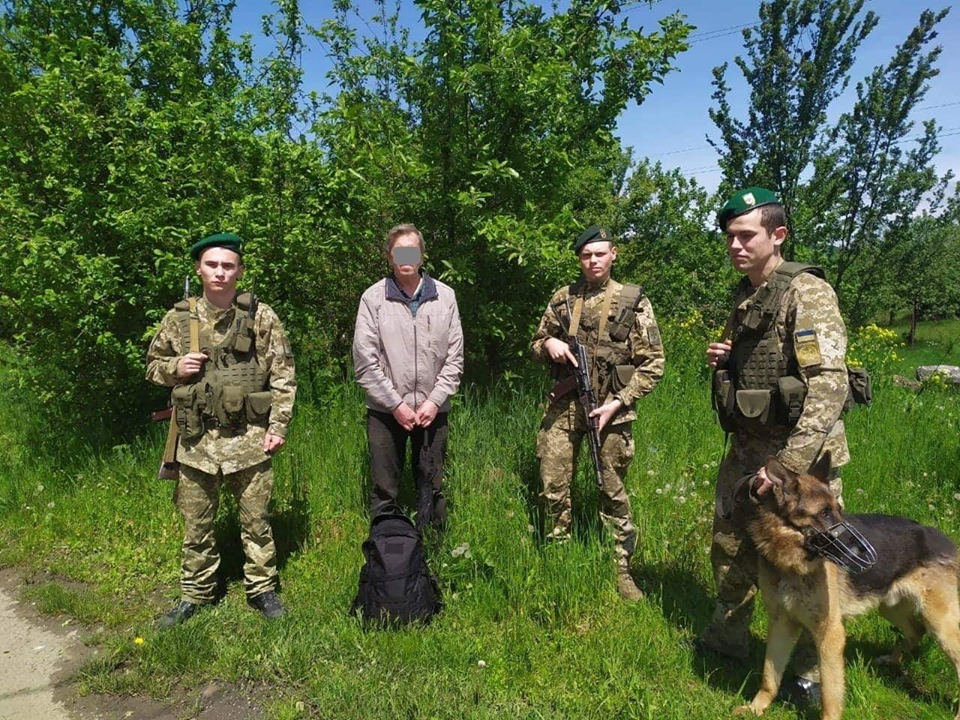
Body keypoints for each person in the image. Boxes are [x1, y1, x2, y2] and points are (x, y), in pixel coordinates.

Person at [697, 187, 850, 703]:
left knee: (811, 560)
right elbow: (760, 365)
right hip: (746, 449)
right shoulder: (745, 295)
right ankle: (727, 640)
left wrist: (786, 464)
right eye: (729, 237)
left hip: (799, 464)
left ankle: (807, 670)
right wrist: (725, 356)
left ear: (777, 235)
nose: (735, 246)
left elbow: (829, 383)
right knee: (730, 545)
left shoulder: (806, 293)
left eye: (746, 236)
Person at [146, 232, 296, 627]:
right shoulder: (179, 320)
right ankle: (196, 594)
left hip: (249, 440)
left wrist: (277, 427)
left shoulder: (261, 317)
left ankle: (262, 589)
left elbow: (283, 375)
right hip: (195, 441)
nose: (220, 272)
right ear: (199, 269)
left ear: (239, 272)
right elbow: (152, 367)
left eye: (228, 266)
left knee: (257, 522)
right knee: (195, 525)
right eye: (212, 264)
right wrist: (175, 368)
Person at [530, 225, 665, 601]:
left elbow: (653, 363)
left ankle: (621, 568)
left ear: (613, 255)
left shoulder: (633, 301)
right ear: (579, 259)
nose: (593, 261)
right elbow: (536, 344)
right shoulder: (563, 298)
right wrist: (551, 343)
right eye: (586, 255)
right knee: (553, 485)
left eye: (600, 254)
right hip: (563, 409)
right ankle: (559, 553)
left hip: (612, 411)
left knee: (612, 490)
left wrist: (620, 401)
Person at [352, 224, 464, 530]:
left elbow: (455, 358)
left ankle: (434, 554)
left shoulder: (446, 297)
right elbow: (364, 360)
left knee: (432, 486)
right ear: (390, 257)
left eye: (411, 250)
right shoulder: (373, 299)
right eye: (399, 251)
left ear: (422, 254)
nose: (405, 257)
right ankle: (385, 560)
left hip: (433, 412)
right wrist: (396, 405)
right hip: (385, 412)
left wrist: (434, 401)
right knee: (385, 490)